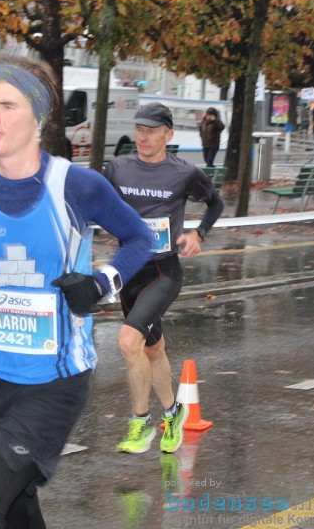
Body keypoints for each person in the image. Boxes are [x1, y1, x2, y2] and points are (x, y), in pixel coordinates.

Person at [0, 57, 152, 529]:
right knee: (14, 508)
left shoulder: (76, 185)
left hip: (52, 383)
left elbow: (140, 239)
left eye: (7, 105)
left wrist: (99, 284)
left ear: (40, 115)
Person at [103, 103, 224, 454]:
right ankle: (173, 413)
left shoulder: (183, 172)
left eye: (151, 131)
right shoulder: (118, 168)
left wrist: (199, 233)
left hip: (163, 272)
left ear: (168, 135)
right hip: (128, 272)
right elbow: (95, 202)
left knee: (129, 341)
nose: (143, 137)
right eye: (139, 129)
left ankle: (140, 423)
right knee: (153, 349)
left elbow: (216, 203)